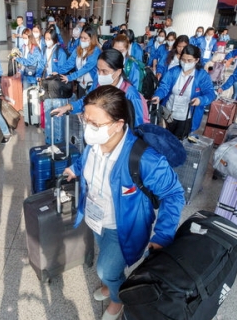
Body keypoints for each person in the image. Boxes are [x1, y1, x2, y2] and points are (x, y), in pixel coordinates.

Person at [62, 85, 185, 320]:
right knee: (106, 261)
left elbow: (174, 194)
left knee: (104, 268)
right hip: (96, 217)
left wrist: (163, 235)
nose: (88, 128)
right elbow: (86, 159)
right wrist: (76, 169)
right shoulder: (95, 142)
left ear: (118, 124)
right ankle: (111, 283)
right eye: (85, 120)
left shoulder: (144, 158)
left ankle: (118, 300)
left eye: (95, 124)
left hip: (124, 226)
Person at [151, 45, 216, 138]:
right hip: (169, 114)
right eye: (183, 59)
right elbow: (164, 87)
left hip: (186, 117)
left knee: (179, 142)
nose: (185, 63)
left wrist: (200, 100)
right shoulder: (173, 71)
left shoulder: (202, 76)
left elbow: (210, 94)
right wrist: (158, 95)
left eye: (189, 60)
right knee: (164, 139)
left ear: (197, 60)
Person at [40, 28, 70, 144]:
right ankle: (48, 138)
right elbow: (42, 65)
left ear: (54, 39)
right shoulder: (44, 51)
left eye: (49, 39)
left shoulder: (60, 52)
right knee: (48, 110)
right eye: (45, 38)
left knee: (57, 113)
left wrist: (56, 73)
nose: (47, 41)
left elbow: (63, 70)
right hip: (47, 85)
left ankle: (58, 140)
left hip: (57, 86)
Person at [56, 26, 102, 98]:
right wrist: (58, 72)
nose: (82, 40)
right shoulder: (78, 49)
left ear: (92, 39)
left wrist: (70, 77)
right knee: (81, 104)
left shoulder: (96, 51)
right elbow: (69, 63)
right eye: (81, 37)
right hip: (81, 84)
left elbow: (86, 68)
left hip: (92, 85)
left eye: (85, 38)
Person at [111, 35, 147, 99]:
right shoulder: (107, 63)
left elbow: (135, 90)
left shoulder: (132, 66)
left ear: (127, 49)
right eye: (115, 50)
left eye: (121, 51)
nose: (117, 53)